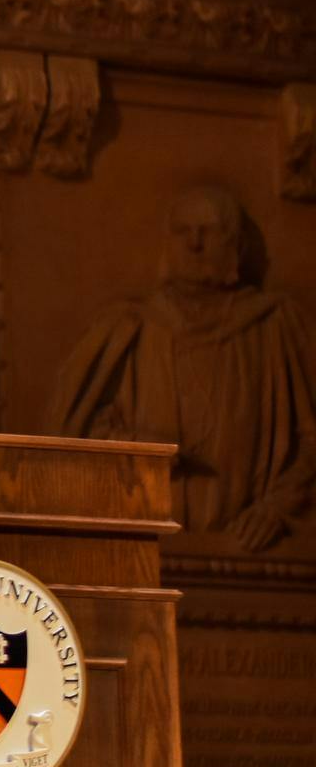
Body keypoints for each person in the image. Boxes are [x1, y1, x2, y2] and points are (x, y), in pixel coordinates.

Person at [51, 184, 316, 550]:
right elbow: (77, 437)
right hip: (143, 548)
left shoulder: (274, 328)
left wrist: (277, 508)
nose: (194, 244)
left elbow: (311, 441)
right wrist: (139, 450)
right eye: (183, 231)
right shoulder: (131, 328)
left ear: (236, 246)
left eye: (209, 232)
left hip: (248, 560)